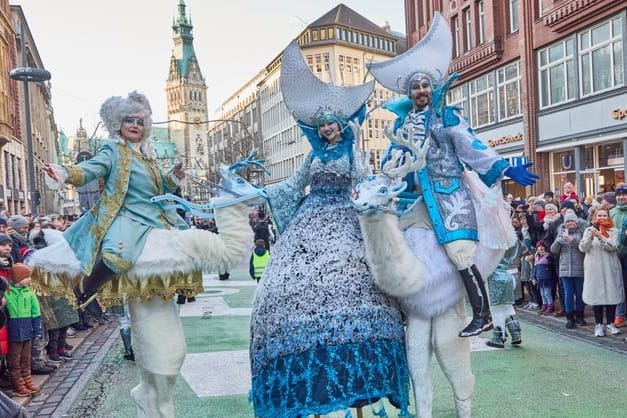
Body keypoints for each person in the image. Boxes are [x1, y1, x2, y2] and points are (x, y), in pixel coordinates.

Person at [250, 41, 410, 418]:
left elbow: (364, 179)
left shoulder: (351, 152)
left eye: (331, 124)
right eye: (322, 125)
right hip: (311, 216)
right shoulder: (312, 155)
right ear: (317, 129)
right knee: (288, 281)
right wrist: (263, 191)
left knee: (362, 273)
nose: (327, 129)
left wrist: (374, 185)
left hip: (345, 214)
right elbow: (294, 185)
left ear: (340, 126)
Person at [366, 13, 539, 337]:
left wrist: (502, 167)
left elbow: (471, 145)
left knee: (460, 253)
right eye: (415, 86)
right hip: (414, 201)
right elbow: (392, 161)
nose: (420, 90)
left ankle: (483, 314)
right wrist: (380, 183)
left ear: (433, 88)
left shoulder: (447, 117)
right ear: (409, 91)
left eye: (425, 85)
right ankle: (402, 309)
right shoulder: (403, 125)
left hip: (449, 198)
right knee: (389, 240)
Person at [41, 91, 188, 306]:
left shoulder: (148, 156)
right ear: (118, 123)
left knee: (186, 246)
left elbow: (159, 187)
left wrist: (174, 177)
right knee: (118, 257)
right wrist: (65, 172)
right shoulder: (113, 149)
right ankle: (84, 288)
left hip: (157, 216)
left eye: (140, 121)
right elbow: (91, 168)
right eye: (129, 120)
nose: (135, 125)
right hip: (128, 215)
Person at [579, 206, 625, 337]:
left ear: (608, 217)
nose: (602, 218)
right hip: (594, 267)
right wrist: (590, 237)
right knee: (596, 296)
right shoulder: (588, 230)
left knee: (611, 294)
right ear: (595, 217)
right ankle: (598, 324)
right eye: (599, 215)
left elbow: (613, 246)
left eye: (604, 215)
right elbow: (583, 247)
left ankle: (610, 323)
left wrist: (600, 236)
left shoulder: (614, 231)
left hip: (610, 266)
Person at [4, 264, 43, 397]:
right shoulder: (8, 293)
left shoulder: (30, 294)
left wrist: (37, 330)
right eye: (26, 277)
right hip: (14, 331)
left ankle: (27, 379)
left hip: (27, 330)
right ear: (17, 278)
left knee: (26, 358)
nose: (29, 279)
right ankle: (18, 384)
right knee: (15, 359)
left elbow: (36, 314)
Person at [485, 240, 526, 348]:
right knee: (507, 305)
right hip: (512, 275)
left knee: (497, 307)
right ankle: (515, 333)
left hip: (497, 275)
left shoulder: (491, 238)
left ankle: (498, 337)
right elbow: (526, 250)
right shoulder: (514, 237)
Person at [550, 211, 586, 328]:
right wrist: (558, 241)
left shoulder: (581, 232)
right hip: (565, 268)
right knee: (568, 294)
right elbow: (553, 250)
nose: (570, 223)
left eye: (572, 221)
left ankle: (580, 315)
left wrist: (572, 240)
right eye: (568, 221)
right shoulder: (561, 232)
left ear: (576, 222)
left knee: (580, 293)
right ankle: (569, 317)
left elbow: (584, 247)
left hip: (579, 268)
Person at [610, 184, 627, 327]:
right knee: (617, 284)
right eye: (619, 195)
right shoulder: (612, 212)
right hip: (614, 253)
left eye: (624, 195)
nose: (621, 197)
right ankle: (619, 314)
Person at [532, 241, 557, 315]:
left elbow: (553, 262)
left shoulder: (548, 256)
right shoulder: (537, 257)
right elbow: (535, 268)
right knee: (542, 294)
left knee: (547, 293)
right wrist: (534, 277)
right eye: (539, 246)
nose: (541, 247)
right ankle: (544, 305)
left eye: (542, 246)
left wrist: (548, 255)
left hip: (547, 278)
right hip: (540, 278)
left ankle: (550, 306)